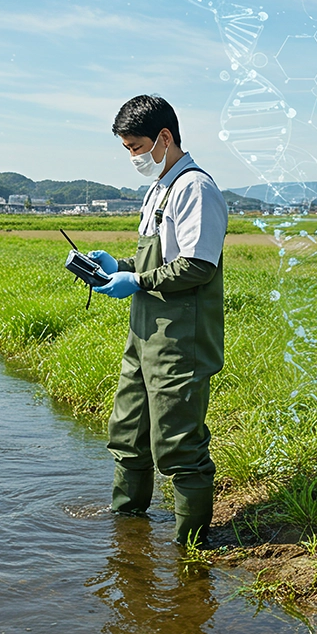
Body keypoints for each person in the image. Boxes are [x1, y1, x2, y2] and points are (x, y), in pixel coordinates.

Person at [87, 95, 227, 548]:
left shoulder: (195, 188)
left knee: (179, 446)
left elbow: (197, 266)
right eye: (127, 148)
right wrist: (118, 267)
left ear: (164, 138)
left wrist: (138, 280)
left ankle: (192, 549)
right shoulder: (159, 189)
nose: (133, 157)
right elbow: (159, 257)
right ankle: (128, 535)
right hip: (144, 335)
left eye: (135, 146)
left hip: (179, 340)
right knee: (128, 435)